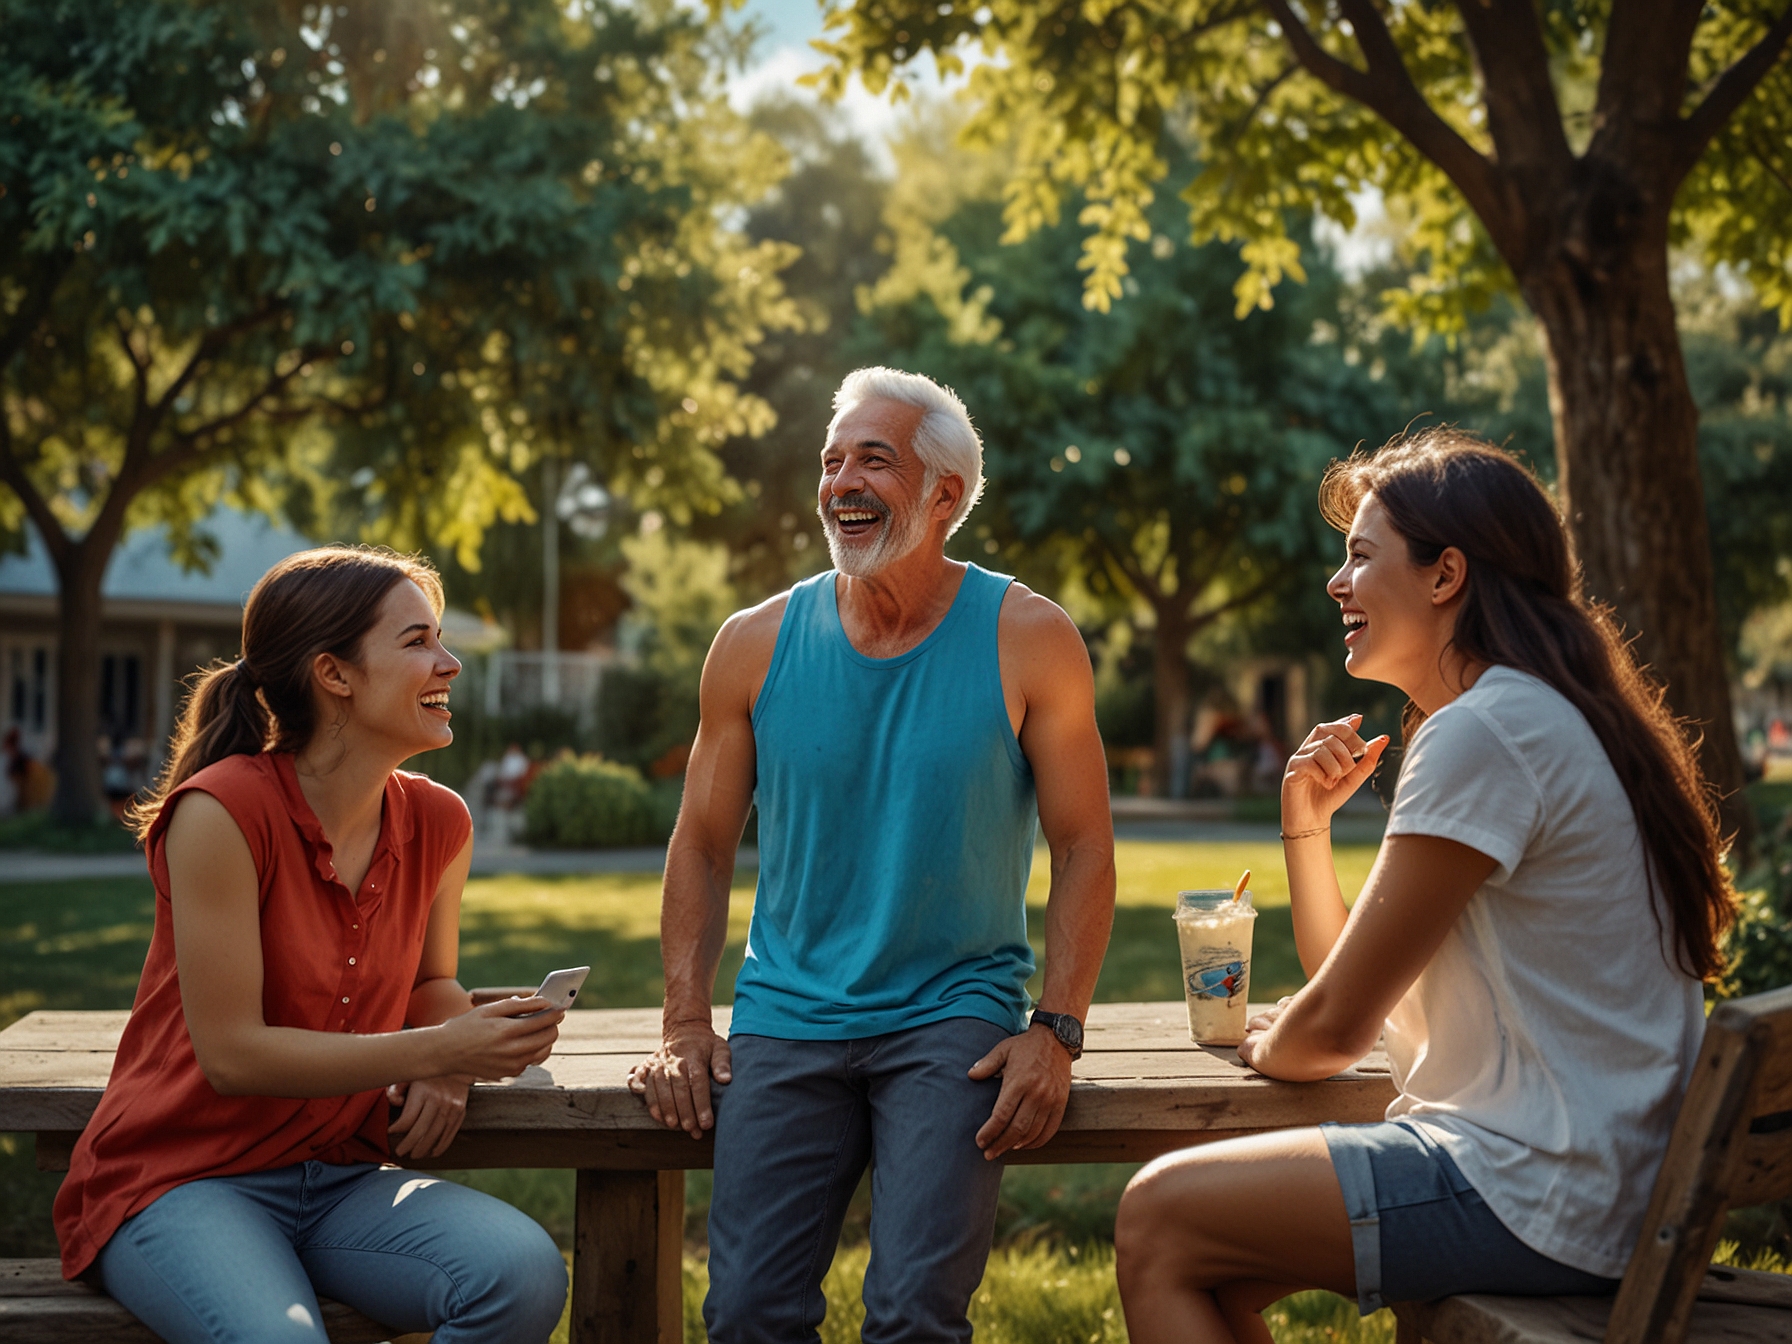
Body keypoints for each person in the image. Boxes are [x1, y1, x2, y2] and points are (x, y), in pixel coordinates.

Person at [1114, 429, 1737, 1344]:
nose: (1336, 582)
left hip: (1543, 1188)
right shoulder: (1536, 712)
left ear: (1446, 576)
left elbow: (1331, 1030)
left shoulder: (1488, 729)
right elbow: (1352, 987)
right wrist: (1307, 823)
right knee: (1221, 1262)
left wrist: (1274, 1042)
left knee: (1156, 1217)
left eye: (1361, 557)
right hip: (1596, 1181)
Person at [629, 367, 1117, 1344]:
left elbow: (1082, 844)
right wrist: (685, 1020)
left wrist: (1055, 1028)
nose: (839, 481)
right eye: (831, 460)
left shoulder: (1028, 635)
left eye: (873, 460)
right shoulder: (752, 643)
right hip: (788, 1013)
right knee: (746, 1316)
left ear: (945, 494)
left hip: (952, 1017)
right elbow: (703, 844)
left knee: (911, 1317)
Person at [53, 545, 570, 1344]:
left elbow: (431, 983)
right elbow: (233, 1056)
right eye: (417, 641)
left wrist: (459, 1059)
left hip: (339, 1179)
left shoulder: (441, 822)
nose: (450, 662)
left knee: (520, 1273)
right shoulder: (220, 814)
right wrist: (434, 1052)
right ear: (335, 675)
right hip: (182, 1180)